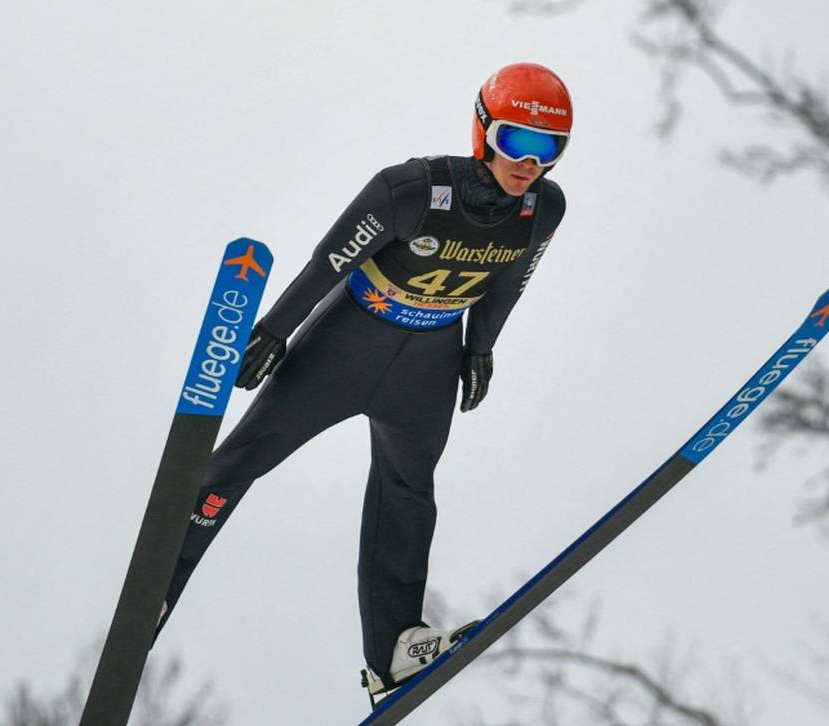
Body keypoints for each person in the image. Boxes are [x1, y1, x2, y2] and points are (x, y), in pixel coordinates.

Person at [153, 62, 572, 697]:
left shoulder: (543, 209)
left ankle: (395, 648)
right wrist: (275, 329)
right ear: (483, 130)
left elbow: (509, 283)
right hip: (348, 343)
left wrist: (480, 349)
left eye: (550, 149)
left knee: (409, 493)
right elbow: (330, 260)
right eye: (519, 140)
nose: (531, 163)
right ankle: (157, 587)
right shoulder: (410, 189)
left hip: (429, 362)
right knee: (243, 459)